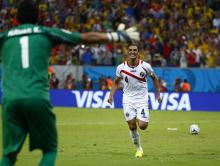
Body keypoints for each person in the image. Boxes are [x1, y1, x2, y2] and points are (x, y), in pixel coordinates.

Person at [0, 1, 140, 165]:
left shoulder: (4, 37)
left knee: (8, 155)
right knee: (49, 150)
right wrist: (116, 36)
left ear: (16, 18)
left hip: (10, 101)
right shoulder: (46, 32)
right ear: (38, 17)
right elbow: (84, 38)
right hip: (36, 97)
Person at [107, 44, 162, 158]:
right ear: (128, 52)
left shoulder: (145, 66)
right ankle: (139, 149)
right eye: (130, 50)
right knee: (132, 126)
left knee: (142, 126)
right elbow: (116, 82)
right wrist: (111, 96)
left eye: (135, 50)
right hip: (127, 99)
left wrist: (158, 94)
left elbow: (155, 78)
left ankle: (142, 116)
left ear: (138, 52)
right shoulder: (121, 67)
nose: (133, 52)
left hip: (142, 99)